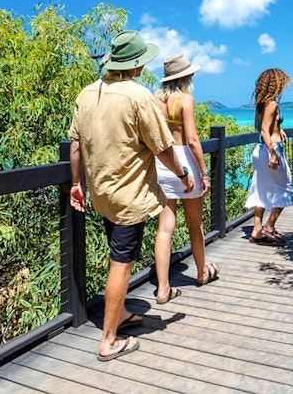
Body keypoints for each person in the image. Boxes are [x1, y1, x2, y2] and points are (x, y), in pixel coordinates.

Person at [69, 30, 195, 362]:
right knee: (121, 263)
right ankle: (109, 340)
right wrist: (182, 174)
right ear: (137, 64)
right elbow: (164, 147)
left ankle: (120, 314)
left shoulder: (87, 93)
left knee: (117, 251)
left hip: (101, 194)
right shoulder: (138, 96)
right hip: (129, 197)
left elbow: (76, 144)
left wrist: (75, 184)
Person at [152, 54, 219, 304]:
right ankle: (202, 273)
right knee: (195, 224)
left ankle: (162, 288)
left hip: (162, 161)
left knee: (164, 228)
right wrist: (203, 173)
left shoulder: (154, 100)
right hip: (184, 165)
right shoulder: (186, 100)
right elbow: (192, 140)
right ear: (185, 77)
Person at [246, 68, 293, 245]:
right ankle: (269, 226)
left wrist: (278, 128)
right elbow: (263, 130)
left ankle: (256, 230)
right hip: (269, 149)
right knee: (286, 188)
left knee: (260, 189)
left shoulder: (261, 104)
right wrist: (273, 153)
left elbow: (261, 124)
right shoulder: (272, 104)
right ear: (277, 85)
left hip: (259, 150)